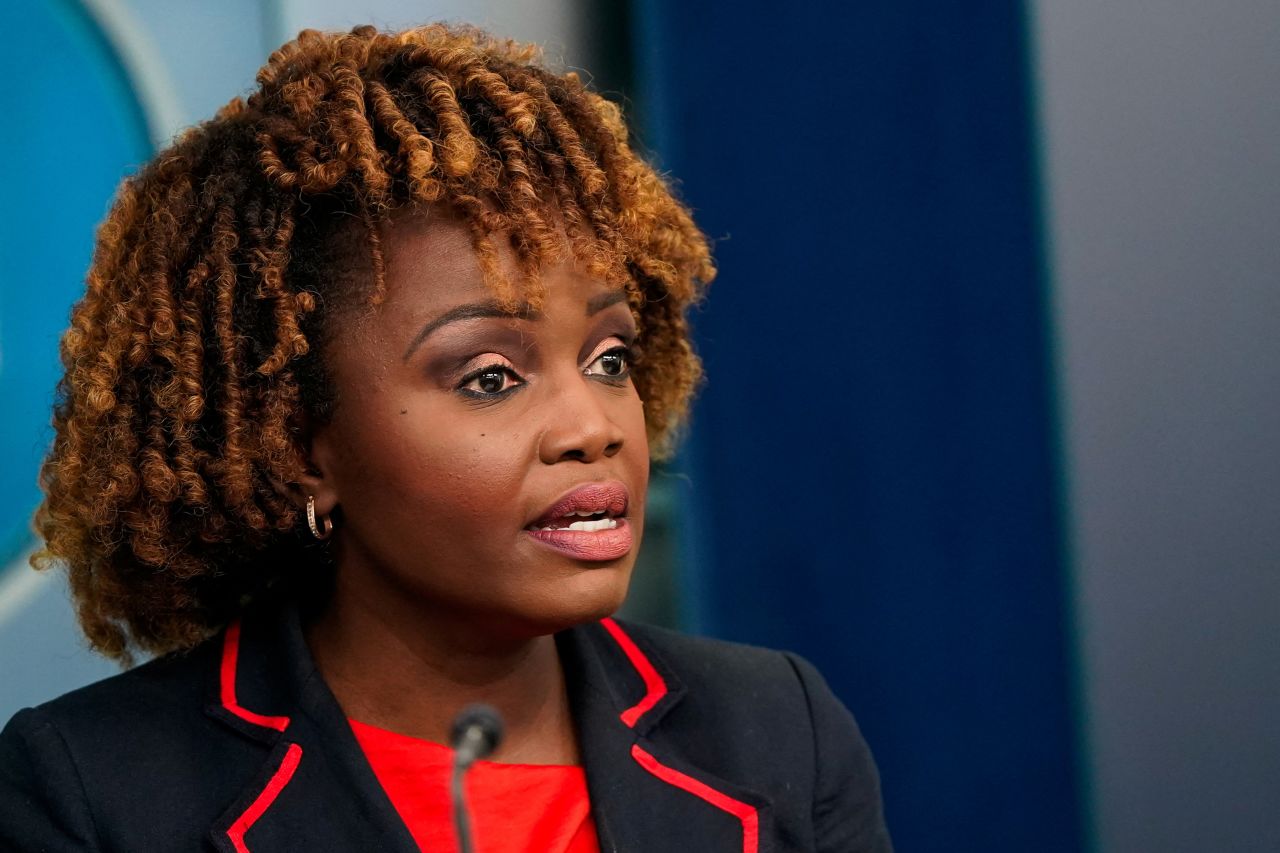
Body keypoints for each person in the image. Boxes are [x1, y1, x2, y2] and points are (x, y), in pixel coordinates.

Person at [0, 23, 892, 853]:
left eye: (609, 357)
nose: (592, 427)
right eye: (490, 378)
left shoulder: (781, 735)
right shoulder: (91, 793)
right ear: (303, 449)